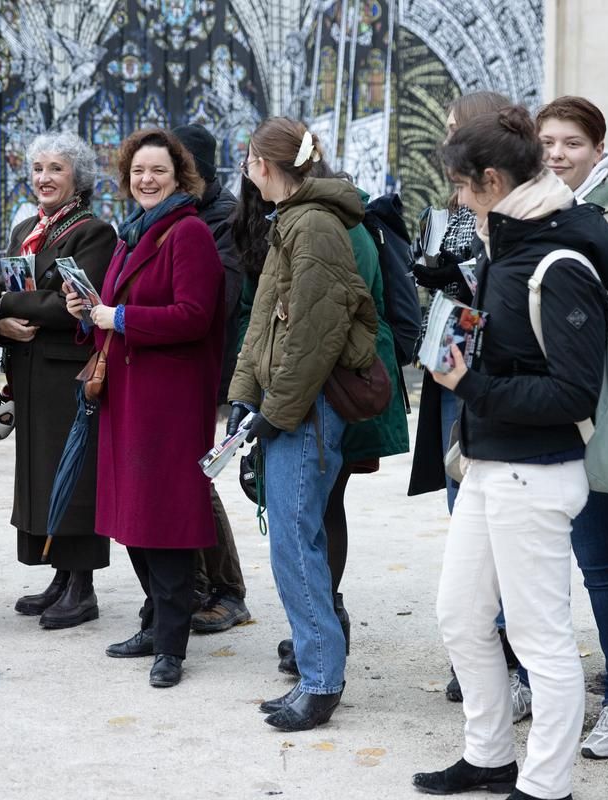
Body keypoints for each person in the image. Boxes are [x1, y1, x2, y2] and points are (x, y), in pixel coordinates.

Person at [411, 106, 608, 800]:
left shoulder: (557, 261)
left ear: (493, 180)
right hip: (490, 462)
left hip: (535, 473)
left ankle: (546, 784)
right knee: (461, 616)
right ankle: (490, 754)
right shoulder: (509, 239)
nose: (456, 198)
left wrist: (469, 384)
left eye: (461, 185)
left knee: (540, 639)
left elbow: (573, 393)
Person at [228, 117, 379, 732]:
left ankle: (321, 682)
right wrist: (243, 397)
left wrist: (274, 413)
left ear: (262, 165)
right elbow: (264, 322)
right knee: (292, 542)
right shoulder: (289, 219)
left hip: (307, 410)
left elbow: (316, 339)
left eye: (247, 161)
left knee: (296, 541)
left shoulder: (312, 224)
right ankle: (316, 673)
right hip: (289, 405)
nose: (245, 171)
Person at [65, 128, 224, 689]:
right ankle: (155, 623)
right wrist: (88, 312)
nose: (146, 179)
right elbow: (111, 313)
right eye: (138, 171)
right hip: (127, 395)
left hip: (169, 401)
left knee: (166, 521)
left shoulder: (189, 232)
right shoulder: (132, 235)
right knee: (133, 517)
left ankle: (171, 646)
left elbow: (194, 316)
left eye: (158, 170)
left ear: (179, 176)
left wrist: (120, 318)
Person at [531, 95, 608, 759]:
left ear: (599, 151)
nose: (557, 153)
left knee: (605, 562)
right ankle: (538, 685)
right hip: (537, 414)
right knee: (537, 564)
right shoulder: (526, 213)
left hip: (600, 414)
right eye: (548, 141)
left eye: (572, 142)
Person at [406, 91, 518, 704]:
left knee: (497, 515)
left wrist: (461, 274)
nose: (447, 140)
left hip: (494, 369)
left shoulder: (508, 203)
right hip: (449, 360)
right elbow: (442, 284)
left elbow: (500, 282)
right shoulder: (450, 205)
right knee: (461, 503)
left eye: (455, 129)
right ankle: (477, 646)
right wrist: (426, 267)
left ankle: (506, 653)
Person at [0, 132, 118, 630]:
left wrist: (10, 304)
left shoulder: (94, 233)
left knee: (74, 473)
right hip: (28, 371)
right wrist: (1, 320)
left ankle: (82, 587)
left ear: (78, 178)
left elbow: (75, 305)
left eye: (56, 169)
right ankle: (58, 574)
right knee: (40, 475)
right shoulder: (27, 228)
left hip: (67, 373)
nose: (43, 178)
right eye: (38, 168)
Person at [172, 123, 251, 634]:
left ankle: (228, 590)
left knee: (196, 474)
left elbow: (215, 299)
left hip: (207, 365)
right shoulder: (171, 215)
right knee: (181, 474)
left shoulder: (223, 218)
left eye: (175, 168)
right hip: (172, 361)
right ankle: (196, 583)